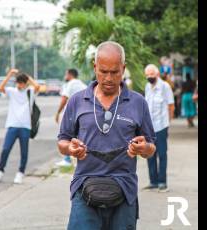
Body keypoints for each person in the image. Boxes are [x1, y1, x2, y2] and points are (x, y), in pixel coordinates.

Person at [57, 41, 156, 230]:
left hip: (124, 190)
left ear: (123, 69)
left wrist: (144, 148)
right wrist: (69, 148)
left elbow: (151, 147)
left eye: (115, 72)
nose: (109, 78)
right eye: (103, 71)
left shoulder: (138, 103)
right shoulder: (77, 101)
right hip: (84, 188)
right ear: (95, 68)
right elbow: (62, 140)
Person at [0, 68, 40, 184]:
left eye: (21, 83)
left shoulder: (30, 92)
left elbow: (37, 87)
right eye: (18, 82)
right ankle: (0, 171)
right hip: (12, 125)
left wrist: (28, 77)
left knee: (24, 152)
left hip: (25, 126)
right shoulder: (12, 91)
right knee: (5, 149)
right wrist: (10, 75)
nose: (19, 85)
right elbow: (1, 88)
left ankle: (20, 173)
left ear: (25, 83)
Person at [143, 64, 175, 193]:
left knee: (162, 154)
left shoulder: (165, 87)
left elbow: (171, 106)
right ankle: (153, 181)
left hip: (161, 126)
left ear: (157, 74)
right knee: (149, 154)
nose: (149, 77)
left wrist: (168, 122)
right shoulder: (147, 87)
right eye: (147, 75)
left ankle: (162, 182)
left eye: (151, 74)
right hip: (149, 127)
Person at [54, 68, 87, 167]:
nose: (65, 76)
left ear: (69, 74)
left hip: (71, 114)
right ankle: (80, 158)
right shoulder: (82, 84)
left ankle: (67, 159)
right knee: (79, 136)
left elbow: (64, 98)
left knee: (66, 137)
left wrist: (58, 112)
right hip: (81, 114)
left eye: (66, 74)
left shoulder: (70, 84)